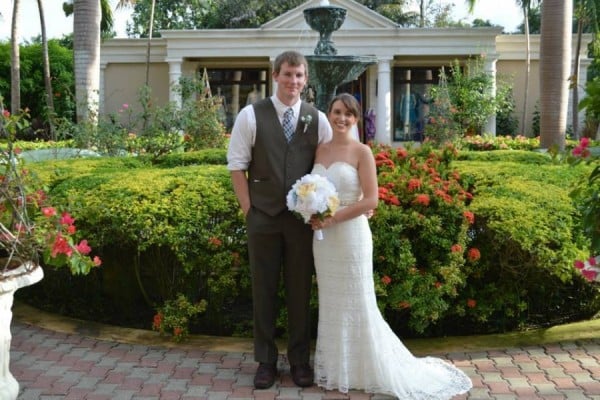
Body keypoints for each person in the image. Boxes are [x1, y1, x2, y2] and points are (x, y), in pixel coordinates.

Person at [309, 93, 473, 399]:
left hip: (351, 237)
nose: (341, 118)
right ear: (329, 115)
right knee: (332, 301)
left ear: (356, 119)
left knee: (358, 301)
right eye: (336, 112)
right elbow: (312, 190)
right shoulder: (320, 150)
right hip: (324, 242)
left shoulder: (362, 152)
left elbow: (371, 199)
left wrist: (333, 219)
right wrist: (309, 210)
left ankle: (368, 367)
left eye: (348, 114)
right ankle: (338, 368)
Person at [226, 50, 332, 390]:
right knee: (264, 289)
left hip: (302, 222)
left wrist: (323, 209)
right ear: (275, 75)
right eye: (288, 74)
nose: (294, 81)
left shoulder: (317, 119)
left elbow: (329, 168)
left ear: (305, 79)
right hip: (263, 218)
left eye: (300, 75)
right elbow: (237, 166)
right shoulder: (250, 115)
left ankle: (300, 361)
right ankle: (266, 361)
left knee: (300, 290)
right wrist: (250, 211)